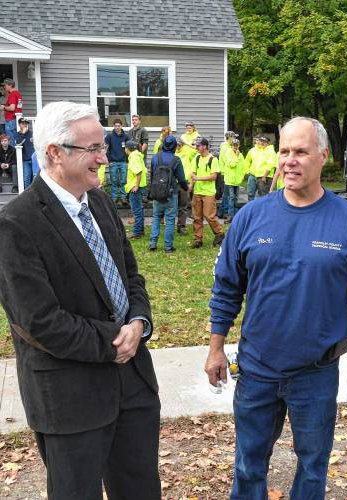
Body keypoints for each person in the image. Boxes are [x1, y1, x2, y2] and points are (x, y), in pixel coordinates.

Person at [206, 117, 347, 500]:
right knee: (248, 462)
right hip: (256, 369)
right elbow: (226, 287)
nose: (289, 160)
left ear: (323, 156)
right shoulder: (251, 217)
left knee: (312, 466)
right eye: (284, 151)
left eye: (300, 152)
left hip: (316, 373)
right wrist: (215, 348)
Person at [0, 101, 161, 500]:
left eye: (103, 146)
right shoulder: (17, 223)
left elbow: (132, 277)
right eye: (92, 148)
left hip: (134, 384)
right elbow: (38, 321)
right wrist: (115, 341)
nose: (104, 158)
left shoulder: (101, 202)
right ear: (55, 152)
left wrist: (139, 323)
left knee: (140, 489)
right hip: (71, 396)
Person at [149, 135, 189, 252]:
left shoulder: (155, 158)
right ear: (174, 147)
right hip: (171, 194)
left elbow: (151, 176)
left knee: (156, 217)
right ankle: (168, 246)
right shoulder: (176, 160)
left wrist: (152, 190)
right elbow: (181, 179)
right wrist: (186, 188)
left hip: (157, 192)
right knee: (170, 219)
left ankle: (153, 243)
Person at [189, 137, 224, 248]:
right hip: (197, 192)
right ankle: (198, 240)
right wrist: (191, 185)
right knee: (197, 217)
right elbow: (193, 174)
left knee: (209, 216)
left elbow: (213, 177)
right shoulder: (196, 158)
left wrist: (198, 179)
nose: (196, 147)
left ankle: (219, 234)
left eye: (198, 146)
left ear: (204, 146)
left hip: (209, 192)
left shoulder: (213, 159)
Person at [125, 140, 147, 239]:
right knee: (140, 209)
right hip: (139, 186)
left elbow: (138, 172)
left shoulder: (133, 157)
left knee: (136, 211)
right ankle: (141, 231)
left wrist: (136, 186)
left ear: (127, 149)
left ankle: (137, 232)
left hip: (135, 187)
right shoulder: (137, 155)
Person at [105, 118, 129, 206]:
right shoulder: (109, 136)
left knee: (123, 181)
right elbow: (106, 149)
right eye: (116, 126)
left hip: (123, 162)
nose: (117, 127)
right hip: (113, 162)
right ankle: (114, 198)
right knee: (113, 181)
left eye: (119, 126)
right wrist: (109, 160)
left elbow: (129, 149)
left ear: (121, 126)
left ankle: (123, 198)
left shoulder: (126, 136)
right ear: (113, 126)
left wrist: (127, 161)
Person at [223, 138, 245, 223]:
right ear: (231, 145)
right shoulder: (228, 153)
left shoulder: (240, 155)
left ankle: (235, 216)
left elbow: (243, 166)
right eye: (234, 145)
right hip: (230, 180)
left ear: (239, 145)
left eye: (237, 145)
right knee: (231, 198)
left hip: (237, 181)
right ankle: (230, 216)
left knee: (236, 198)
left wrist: (242, 175)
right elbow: (231, 164)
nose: (235, 147)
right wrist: (236, 156)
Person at [218, 131, 238, 219]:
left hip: (227, 172)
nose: (234, 139)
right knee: (227, 195)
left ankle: (221, 212)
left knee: (226, 194)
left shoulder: (227, 146)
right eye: (233, 137)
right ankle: (224, 212)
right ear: (229, 138)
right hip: (226, 172)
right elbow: (229, 161)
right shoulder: (226, 148)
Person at [175, 138, 191, 235]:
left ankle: (181, 226)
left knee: (183, 206)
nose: (178, 146)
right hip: (174, 183)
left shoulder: (187, 153)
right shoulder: (172, 154)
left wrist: (187, 143)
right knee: (172, 207)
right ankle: (170, 226)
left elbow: (196, 149)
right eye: (176, 145)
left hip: (184, 183)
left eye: (180, 145)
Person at [244, 136, 268, 201]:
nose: (258, 142)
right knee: (250, 193)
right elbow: (247, 161)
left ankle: (260, 210)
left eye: (260, 140)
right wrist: (247, 171)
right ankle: (251, 208)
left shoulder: (265, 150)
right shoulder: (252, 151)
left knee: (262, 194)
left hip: (261, 176)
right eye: (257, 140)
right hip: (252, 176)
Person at [0, 78, 22, 145]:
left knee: (11, 141)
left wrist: (3, 107)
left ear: (10, 85)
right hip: (16, 120)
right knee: (16, 139)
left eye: (5, 85)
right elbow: (18, 107)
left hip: (11, 120)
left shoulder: (12, 94)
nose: (4, 87)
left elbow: (12, 108)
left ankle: (12, 155)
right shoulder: (18, 94)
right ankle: (16, 155)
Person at [14, 117, 35, 189]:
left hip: (34, 160)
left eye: (26, 123)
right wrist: (23, 134)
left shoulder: (32, 133)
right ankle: (28, 196)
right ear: (19, 125)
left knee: (36, 178)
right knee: (27, 179)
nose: (25, 125)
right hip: (25, 160)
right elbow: (18, 144)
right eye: (23, 123)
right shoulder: (17, 134)